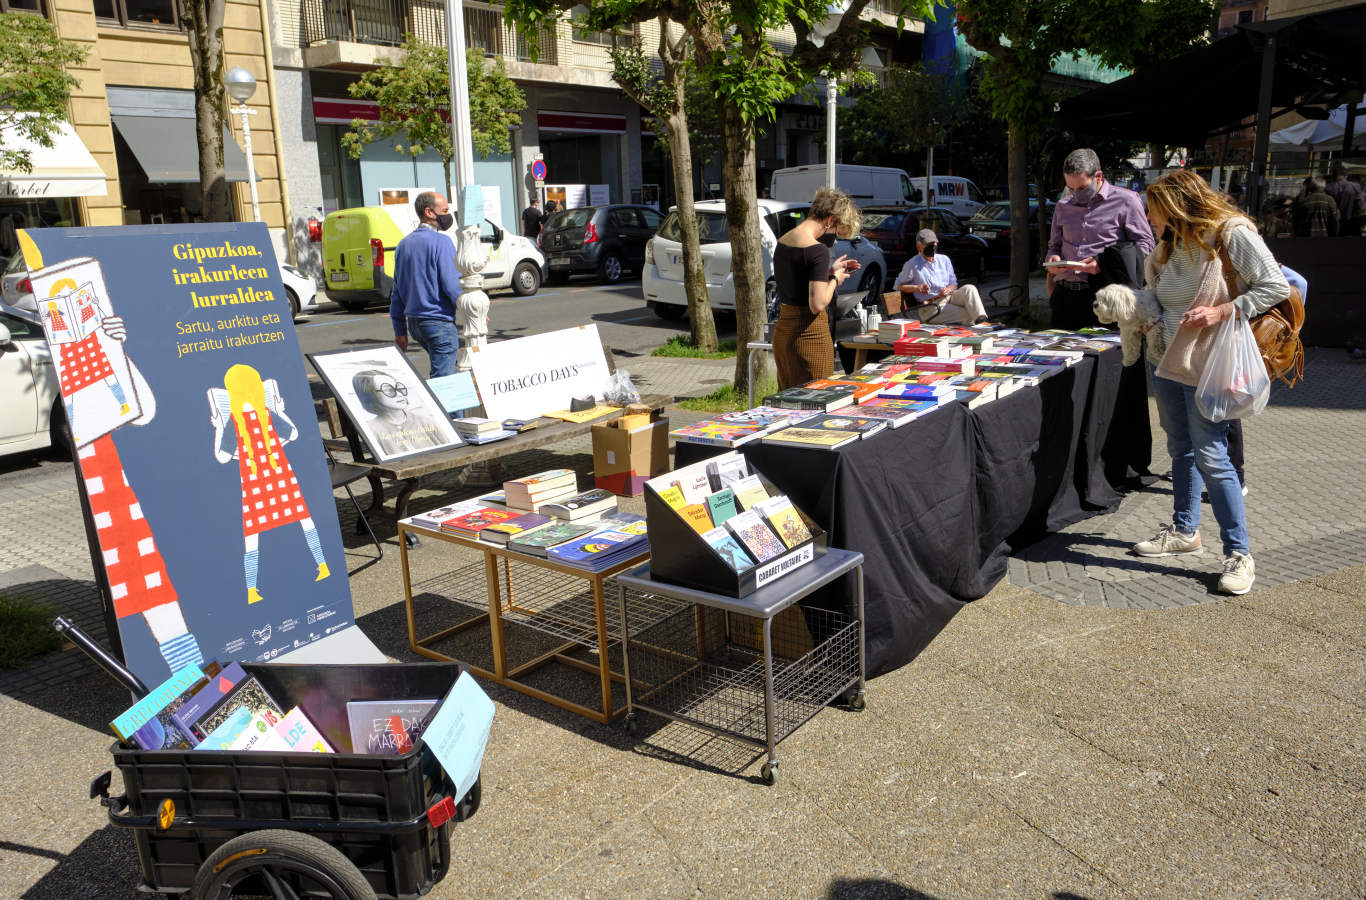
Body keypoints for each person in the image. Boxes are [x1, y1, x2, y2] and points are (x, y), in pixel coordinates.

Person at [1133, 169, 1290, 596]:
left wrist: (1221, 312)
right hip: (1166, 362)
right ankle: (1185, 532)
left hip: (1210, 365)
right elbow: (1166, 298)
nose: (1149, 217)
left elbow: (1275, 285)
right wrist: (1148, 318)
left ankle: (1240, 553)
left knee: (1212, 456)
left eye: (1153, 209)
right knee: (1179, 448)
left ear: (1177, 204)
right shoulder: (1170, 244)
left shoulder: (1230, 233)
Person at [211, 364, 330, 606]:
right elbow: (293, 433)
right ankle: (323, 566)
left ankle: (252, 591)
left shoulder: (234, 420)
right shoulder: (265, 412)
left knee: (251, 536)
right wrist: (281, 410)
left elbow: (222, 457)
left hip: (255, 483)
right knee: (305, 519)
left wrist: (217, 427)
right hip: (281, 475)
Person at [1045, 148, 1155, 329]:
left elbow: (1146, 246)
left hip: (1106, 295)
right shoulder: (1063, 206)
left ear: (1098, 176)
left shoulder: (1126, 201)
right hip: (1064, 296)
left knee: (1105, 356)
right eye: (1070, 189)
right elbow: (1054, 246)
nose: (1075, 194)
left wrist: (1103, 264)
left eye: (1081, 188)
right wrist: (1053, 258)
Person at [771, 187, 861, 389]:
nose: (835, 236)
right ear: (830, 219)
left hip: (784, 334)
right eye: (837, 229)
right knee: (816, 404)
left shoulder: (783, 241)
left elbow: (797, 279)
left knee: (787, 403)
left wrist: (827, 272)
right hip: (809, 337)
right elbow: (817, 304)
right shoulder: (817, 250)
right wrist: (836, 279)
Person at [390, 191, 462, 378]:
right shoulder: (442, 242)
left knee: (448, 372)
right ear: (429, 212)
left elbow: (396, 292)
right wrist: (471, 310)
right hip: (438, 321)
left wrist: (400, 331)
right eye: (445, 210)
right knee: (447, 383)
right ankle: (450, 409)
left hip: (415, 323)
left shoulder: (404, 244)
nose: (448, 215)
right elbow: (451, 285)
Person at [891, 228, 988, 324]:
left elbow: (953, 284)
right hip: (930, 307)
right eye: (928, 245)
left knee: (969, 288)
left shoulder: (944, 259)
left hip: (948, 298)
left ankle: (981, 318)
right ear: (918, 247)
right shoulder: (912, 264)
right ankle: (981, 326)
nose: (932, 247)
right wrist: (918, 287)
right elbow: (899, 286)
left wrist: (949, 289)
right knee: (969, 315)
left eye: (934, 244)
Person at [352, 368, 449, 456]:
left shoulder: (426, 421)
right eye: (389, 390)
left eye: (399, 388)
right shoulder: (372, 429)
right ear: (370, 395)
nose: (399, 394)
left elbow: (450, 448)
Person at [1325, 166, 1363, 237]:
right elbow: (1361, 206)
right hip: (1352, 222)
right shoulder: (1355, 186)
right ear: (1346, 175)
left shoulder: (1328, 188)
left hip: (1335, 223)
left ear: (1333, 176)